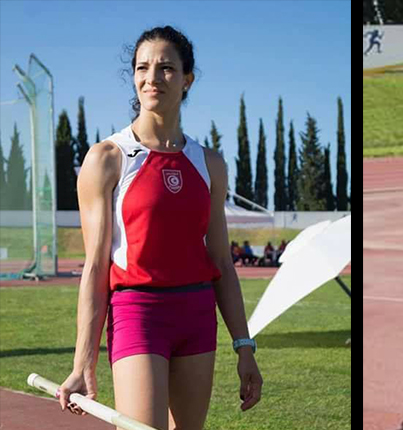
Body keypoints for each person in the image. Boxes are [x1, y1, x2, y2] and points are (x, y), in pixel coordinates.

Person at [58, 26, 263, 429]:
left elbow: (222, 262)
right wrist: (83, 362)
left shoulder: (210, 164)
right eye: (142, 68)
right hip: (138, 312)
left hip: (197, 313)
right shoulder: (108, 158)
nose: (152, 78)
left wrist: (244, 347)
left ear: (187, 79)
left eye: (166, 68)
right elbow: (96, 267)